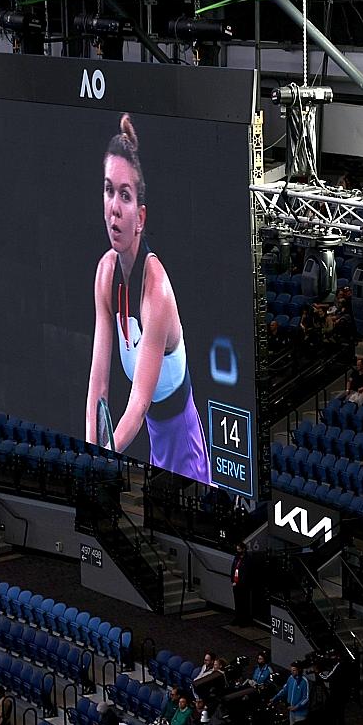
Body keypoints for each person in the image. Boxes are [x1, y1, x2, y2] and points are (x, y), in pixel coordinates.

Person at [86, 113, 212, 483]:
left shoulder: (156, 290)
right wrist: (90, 449)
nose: (113, 207)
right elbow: (100, 386)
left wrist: (105, 454)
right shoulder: (105, 273)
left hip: (183, 443)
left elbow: (139, 403)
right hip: (157, 441)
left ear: (140, 217)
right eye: (108, 190)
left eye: (124, 195)